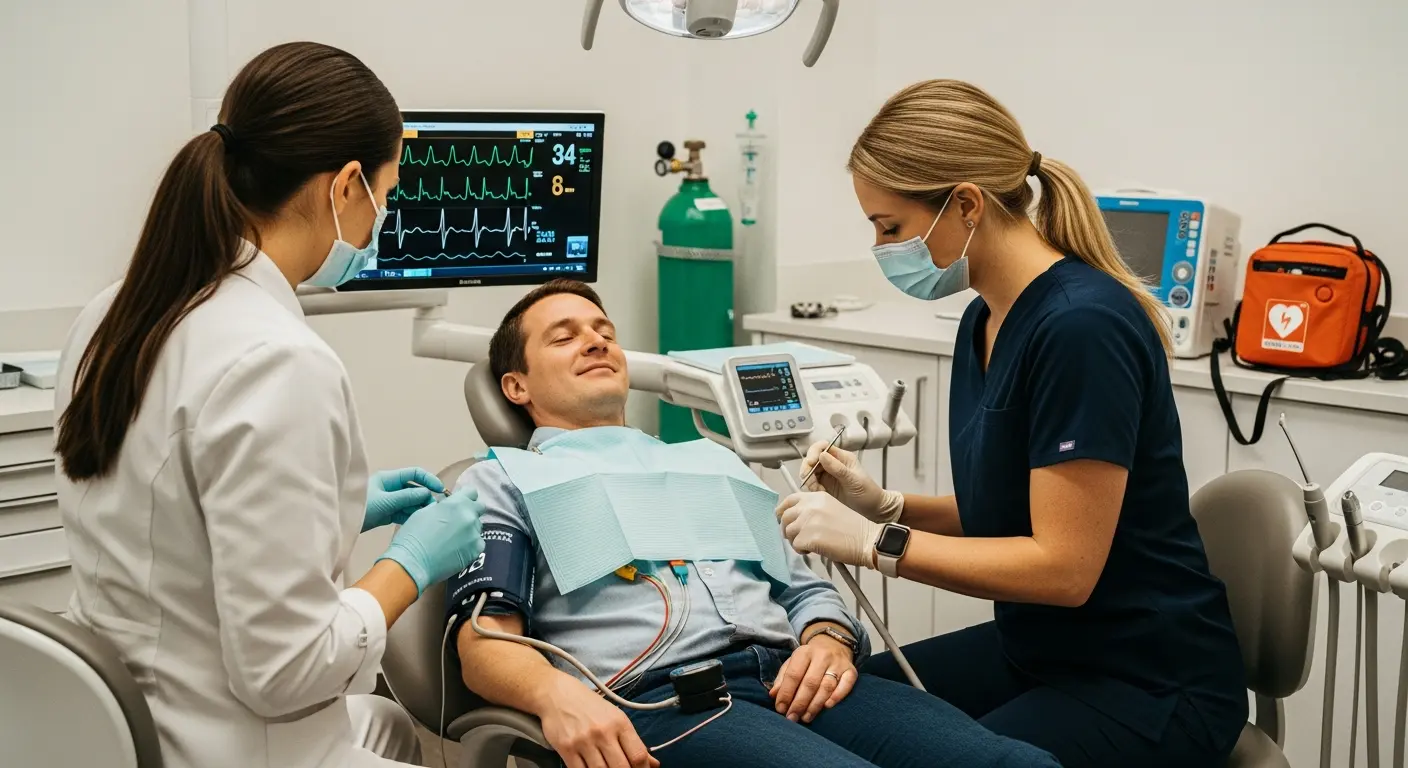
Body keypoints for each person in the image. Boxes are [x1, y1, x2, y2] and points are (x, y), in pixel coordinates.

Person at [774, 79, 1248, 768]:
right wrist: (890, 504)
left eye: (890, 227)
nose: (881, 248)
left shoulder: (1082, 327)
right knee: (824, 712)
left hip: (1146, 679)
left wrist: (878, 541)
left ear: (965, 204)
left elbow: (1063, 567)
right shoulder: (983, 320)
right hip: (1038, 650)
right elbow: (1016, 510)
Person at [53, 42, 485, 768]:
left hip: (121, 730)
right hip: (229, 746)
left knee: (384, 723)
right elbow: (287, 673)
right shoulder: (279, 362)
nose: (380, 220)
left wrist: (347, 507)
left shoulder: (114, 312)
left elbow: (171, 516)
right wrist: (408, 565)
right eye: (388, 191)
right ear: (347, 186)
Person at [446, 279, 1059, 768]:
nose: (596, 340)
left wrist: (827, 639)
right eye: (564, 336)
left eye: (604, 330)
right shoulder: (502, 480)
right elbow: (485, 645)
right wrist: (559, 699)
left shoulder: (711, 461)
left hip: (795, 680)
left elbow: (804, 587)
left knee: (1012, 760)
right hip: (668, 698)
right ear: (516, 384)